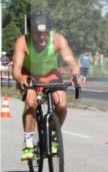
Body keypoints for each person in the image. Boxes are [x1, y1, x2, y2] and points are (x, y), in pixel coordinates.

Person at [10, 12, 83, 161]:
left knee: (61, 104)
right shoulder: (22, 41)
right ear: (31, 32)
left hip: (50, 74)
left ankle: (54, 135)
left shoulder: (57, 39)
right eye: (37, 33)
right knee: (31, 103)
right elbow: (16, 69)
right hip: (29, 74)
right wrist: (20, 78)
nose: (42, 37)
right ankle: (29, 143)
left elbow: (71, 60)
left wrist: (76, 75)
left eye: (44, 33)